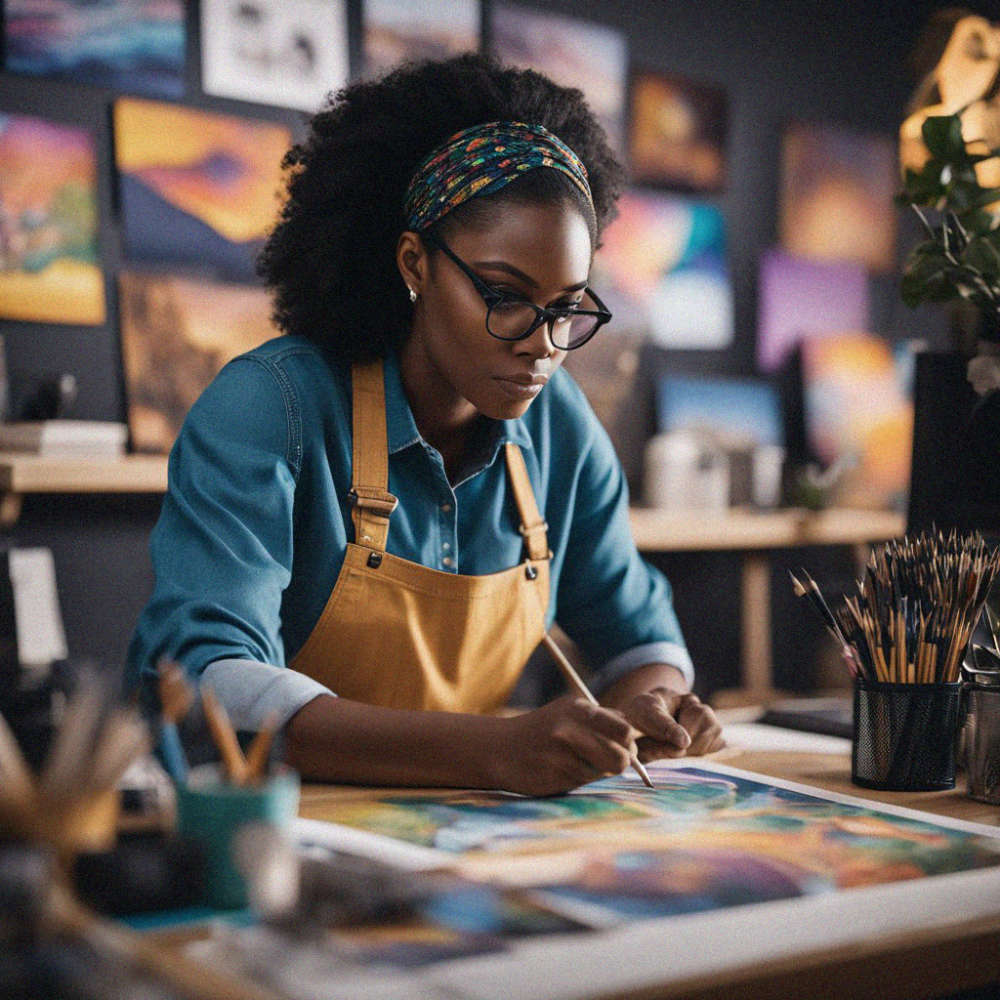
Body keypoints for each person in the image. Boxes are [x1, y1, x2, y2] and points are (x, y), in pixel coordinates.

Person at [127, 53, 723, 796]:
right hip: (269, 840)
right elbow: (210, 679)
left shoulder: (560, 427)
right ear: (415, 263)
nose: (543, 342)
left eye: (567, 306)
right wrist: (491, 752)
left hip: (456, 840)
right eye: (505, 295)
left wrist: (654, 700)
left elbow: (642, 635)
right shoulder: (271, 409)